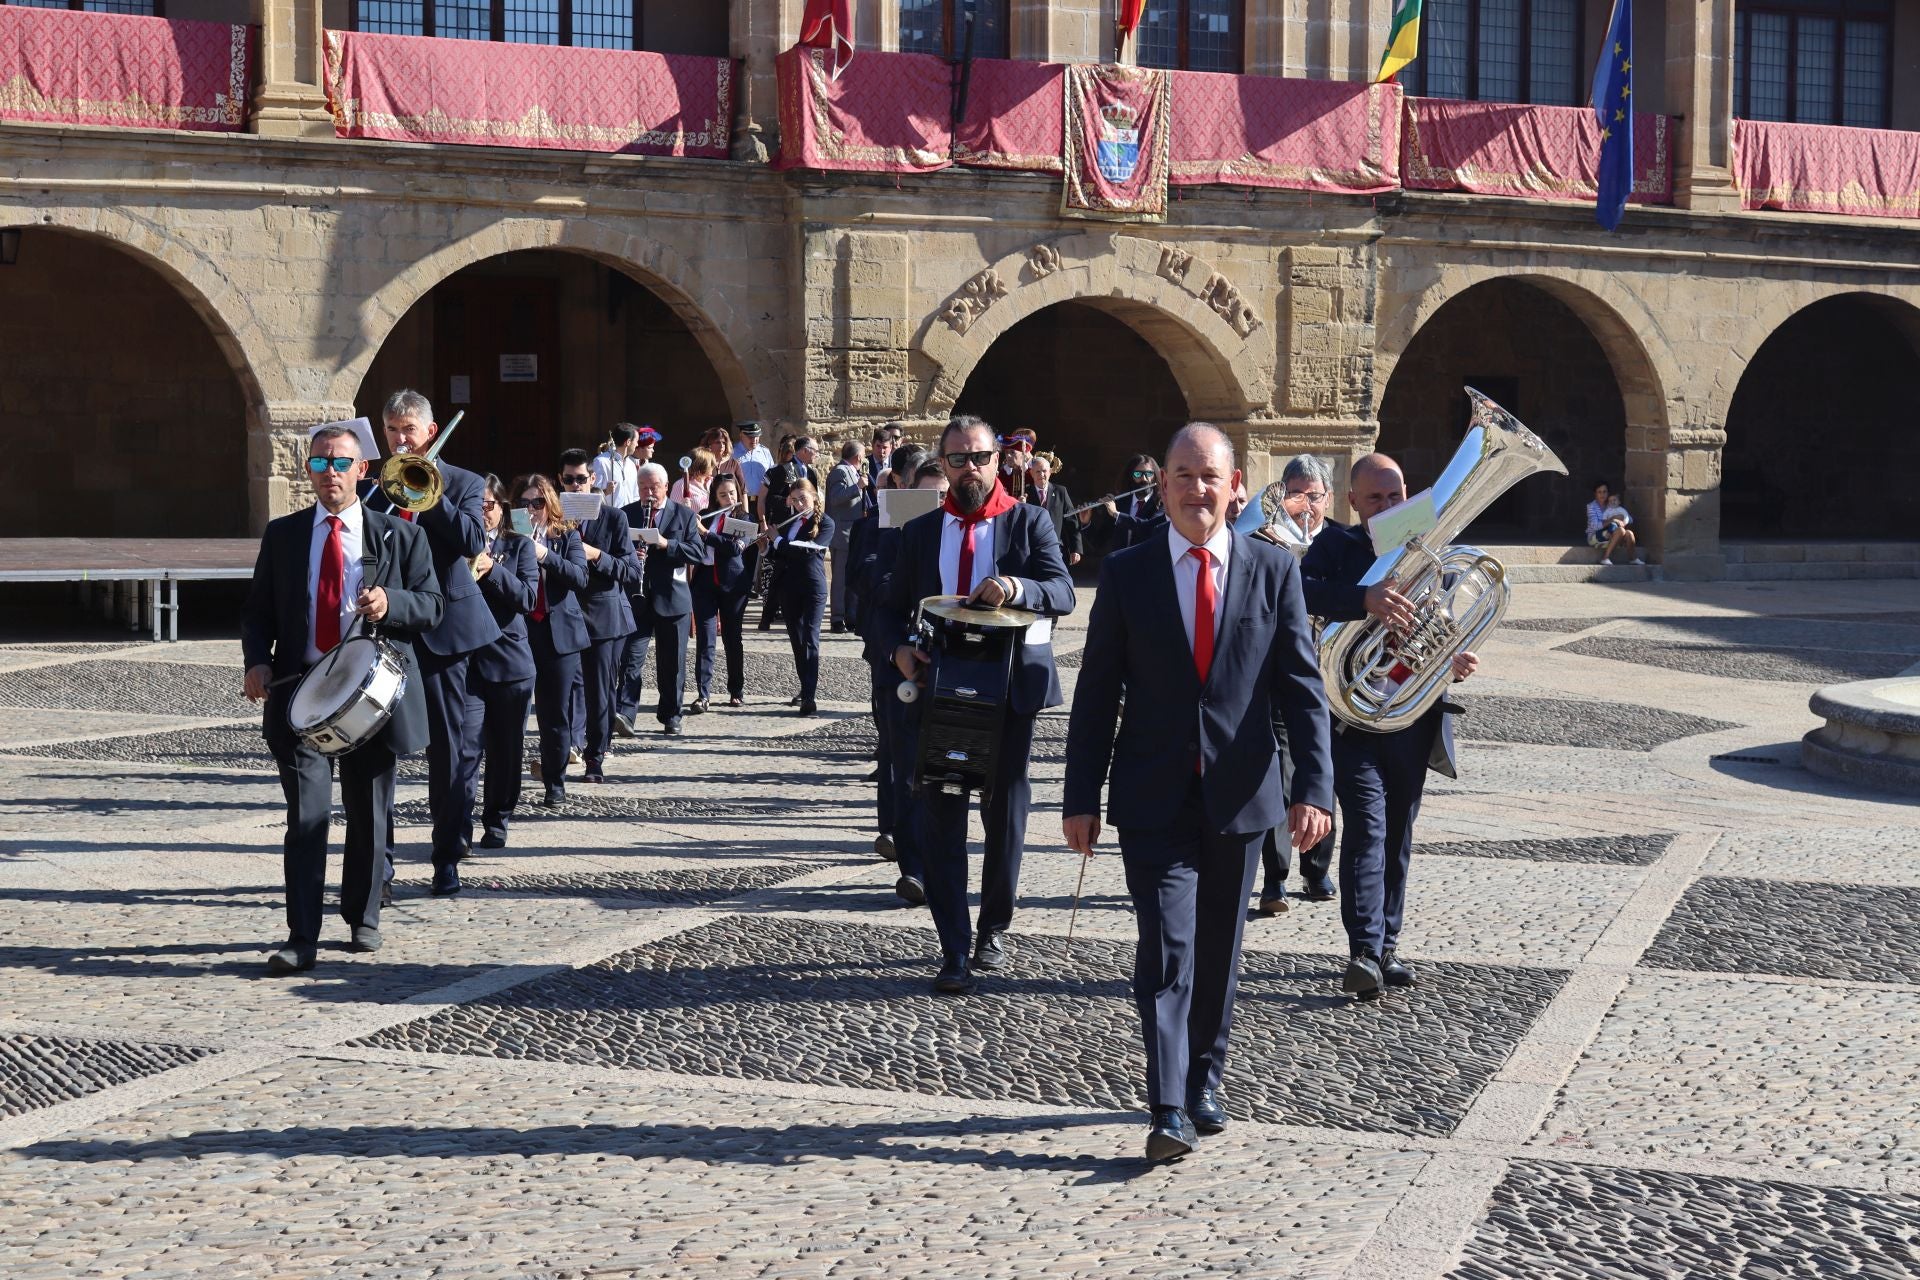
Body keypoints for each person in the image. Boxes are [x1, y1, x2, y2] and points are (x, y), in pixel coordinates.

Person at [1064, 423, 1332, 1162]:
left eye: (1209, 476)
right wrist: (1079, 795)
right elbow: (1096, 693)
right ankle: (1169, 1105)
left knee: (1220, 946)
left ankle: (1208, 1076)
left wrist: (1315, 788)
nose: (1196, 490)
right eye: (1182, 475)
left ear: (1235, 483)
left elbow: (1302, 690)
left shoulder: (1273, 569)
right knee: (1166, 948)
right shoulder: (1129, 571)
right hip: (1152, 794)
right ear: (1162, 487)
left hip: (1242, 795)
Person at [881, 415, 1076, 994]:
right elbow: (885, 609)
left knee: (1005, 814)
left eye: (981, 457)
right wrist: (896, 651)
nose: (971, 468)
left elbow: (1062, 592)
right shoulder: (919, 532)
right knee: (941, 816)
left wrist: (1018, 588)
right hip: (940, 690)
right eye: (959, 459)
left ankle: (994, 924)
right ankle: (954, 945)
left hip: (1010, 690)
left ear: (1000, 461)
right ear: (943, 466)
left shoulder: (1029, 521)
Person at [243, 423, 442, 972]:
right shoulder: (282, 535)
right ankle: (300, 935)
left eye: (340, 463)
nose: (329, 473)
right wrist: (256, 660)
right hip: (299, 695)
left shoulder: (399, 536)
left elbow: (432, 606)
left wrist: (390, 603)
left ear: (363, 471)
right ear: (307, 470)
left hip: (369, 700)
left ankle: (363, 916)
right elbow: (258, 612)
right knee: (306, 818)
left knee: (368, 814)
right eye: (319, 463)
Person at [1300, 452, 1477, 1002]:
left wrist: (1452, 655)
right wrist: (1363, 600)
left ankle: (1388, 947)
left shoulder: (1432, 549)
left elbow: (1445, 618)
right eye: (1374, 498)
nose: (1386, 505)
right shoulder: (1335, 547)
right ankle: (1364, 952)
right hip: (1353, 717)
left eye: (1395, 496)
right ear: (1353, 502)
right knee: (1367, 832)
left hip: (1412, 716)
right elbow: (1298, 593)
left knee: (1397, 834)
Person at [366, 389, 500, 895]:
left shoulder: (463, 482)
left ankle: (447, 856)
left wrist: (428, 493)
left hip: (445, 632)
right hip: (391, 632)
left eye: (410, 430)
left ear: (430, 430)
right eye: (393, 430)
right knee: (380, 749)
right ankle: (380, 863)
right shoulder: (376, 490)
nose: (402, 438)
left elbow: (471, 542)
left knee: (450, 750)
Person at [1249, 454, 1340, 915]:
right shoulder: (1265, 540)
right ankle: (1274, 878)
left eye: (1314, 495)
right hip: (1280, 674)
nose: (1305, 504)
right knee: (1279, 773)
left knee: (1324, 770)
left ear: (1329, 497)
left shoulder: (1342, 541)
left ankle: (1318, 868)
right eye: (1296, 495)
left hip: (1333, 674)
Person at [847, 445, 936, 900]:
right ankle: (908, 853)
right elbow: (864, 580)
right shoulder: (877, 525)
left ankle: (930, 852)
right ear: (902, 482)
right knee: (898, 760)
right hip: (893, 656)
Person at [461, 474, 537, 853]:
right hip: (466, 665)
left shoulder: (519, 545)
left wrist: (492, 569)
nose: (481, 513)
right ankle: (457, 826)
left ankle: (497, 820)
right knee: (465, 748)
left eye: (487, 505)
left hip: (509, 664)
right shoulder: (453, 546)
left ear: (501, 507)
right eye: (473, 506)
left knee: (506, 750)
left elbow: (527, 598)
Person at [558, 448, 640, 783]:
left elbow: (630, 571)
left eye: (581, 479)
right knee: (567, 686)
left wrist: (594, 555)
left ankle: (596, 755)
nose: (576, 486)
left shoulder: (614, 518)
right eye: (568, 480)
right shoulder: (555, 516)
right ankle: (570, 746)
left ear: (594, 479)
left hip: (604, 614)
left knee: (599, 689)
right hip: (565, 612)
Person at [514, 473, 589, 806]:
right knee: (512, 711)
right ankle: (505, 780)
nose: (532, 510)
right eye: (526, 503)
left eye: (538, 503)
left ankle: (554, 781)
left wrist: (543, 554)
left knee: (554, 712)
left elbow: (579, 577)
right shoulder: (509, 538)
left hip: (558, 633)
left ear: (550, 504)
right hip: (521, 631)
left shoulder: (567, 536)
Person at [620, 461, 707, 734]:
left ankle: (671, 714)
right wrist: (631, 554)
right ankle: (625, 715)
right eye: (643, 487)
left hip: (672, 598)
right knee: (630, 660)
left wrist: (665, 544)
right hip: (637, 597)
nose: (648, 493)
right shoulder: (626, 514)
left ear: (666, 487)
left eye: (654, 487)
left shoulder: (684, 515)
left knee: (672, 663)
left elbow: (697, 552)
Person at [763, 477, 834, 715]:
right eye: (794, 500)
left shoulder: (826, 523)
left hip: (812, 588)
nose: (799, 503)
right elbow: (781, 555)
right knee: (797, 641)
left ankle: (810, 697)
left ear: (814, 497)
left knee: (810, 640)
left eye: (803, 498)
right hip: (788, 587)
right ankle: (805, 688)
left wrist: (779, 540)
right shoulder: (788, 522)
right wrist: (767, 547)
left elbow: (805, 552)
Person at [691, 473, 754, 711]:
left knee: (731, 637)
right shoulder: (708, 516)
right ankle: (703, 694)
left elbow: (733, 549)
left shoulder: (744, 518)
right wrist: (693, 525)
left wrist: (705, 533)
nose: (729, 498)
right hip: (705, 580)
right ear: (714, 498)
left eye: (732, 494)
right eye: (723, 495)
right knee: (705, 639)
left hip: (732, 583)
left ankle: (736, 689)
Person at [826, 439, 867, 632]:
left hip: (853, 534)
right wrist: (857, 487)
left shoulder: (853, 471)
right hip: (841, 535)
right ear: (858, 457)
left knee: (852, 578)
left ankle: (851, 616)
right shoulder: (840, 471)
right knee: (841, 579)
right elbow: (835, 499)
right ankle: (837, 618)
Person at [1026, 451, 1083, 567]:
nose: (1042, 474)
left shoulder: (1060, 491)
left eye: (1044, 471)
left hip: (1056, 549)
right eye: (1038, 471)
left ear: (1050, 472)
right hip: (1032, 550)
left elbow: (1071, 521)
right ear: (1031, 473)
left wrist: (1075, 548)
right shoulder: (1025, 493)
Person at [1103, 454, 1165, 550]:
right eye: (1138, 474)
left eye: (1149, 474)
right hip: (1120, 562)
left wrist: (1117, 515)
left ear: (1155, 476)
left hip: (1148, 562)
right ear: (1131, 476)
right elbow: (1100, 539)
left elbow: (1147, 527)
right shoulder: (1119, 503)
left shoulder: (1163, 503)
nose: (1144, 479)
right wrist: (1086, 523)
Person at [1586, 480, 1643, 565]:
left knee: (1629, 533)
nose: (1602, 494)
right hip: (1595, 536)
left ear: (1608, 493)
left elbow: (1630, 519)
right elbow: (1594, 526)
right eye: (1599, 492)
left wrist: (1622, 517)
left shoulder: (1612, 503)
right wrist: (1612, 519)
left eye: (1604, 492)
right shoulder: (1591, 507)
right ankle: (1605, 558)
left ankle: (1633, 558)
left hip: (1613, 533)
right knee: (1621, 531)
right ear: (1595, 494)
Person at [731, 422, 775, 519]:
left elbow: (771, 476)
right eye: (750, 437)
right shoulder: (732, 452)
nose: (754, 440)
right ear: (741, 435)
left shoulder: (765, 452)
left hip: (763, 502)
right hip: (741, 503)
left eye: (757, 436)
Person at [591, 423, 641, 509]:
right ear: (628, 442)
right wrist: (606, 491)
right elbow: (592, 495)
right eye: (636, 441)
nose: (637, 445)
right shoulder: (601, 462)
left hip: (629, 519)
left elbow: (636, 496)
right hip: (608, 519)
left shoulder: (632, 465)